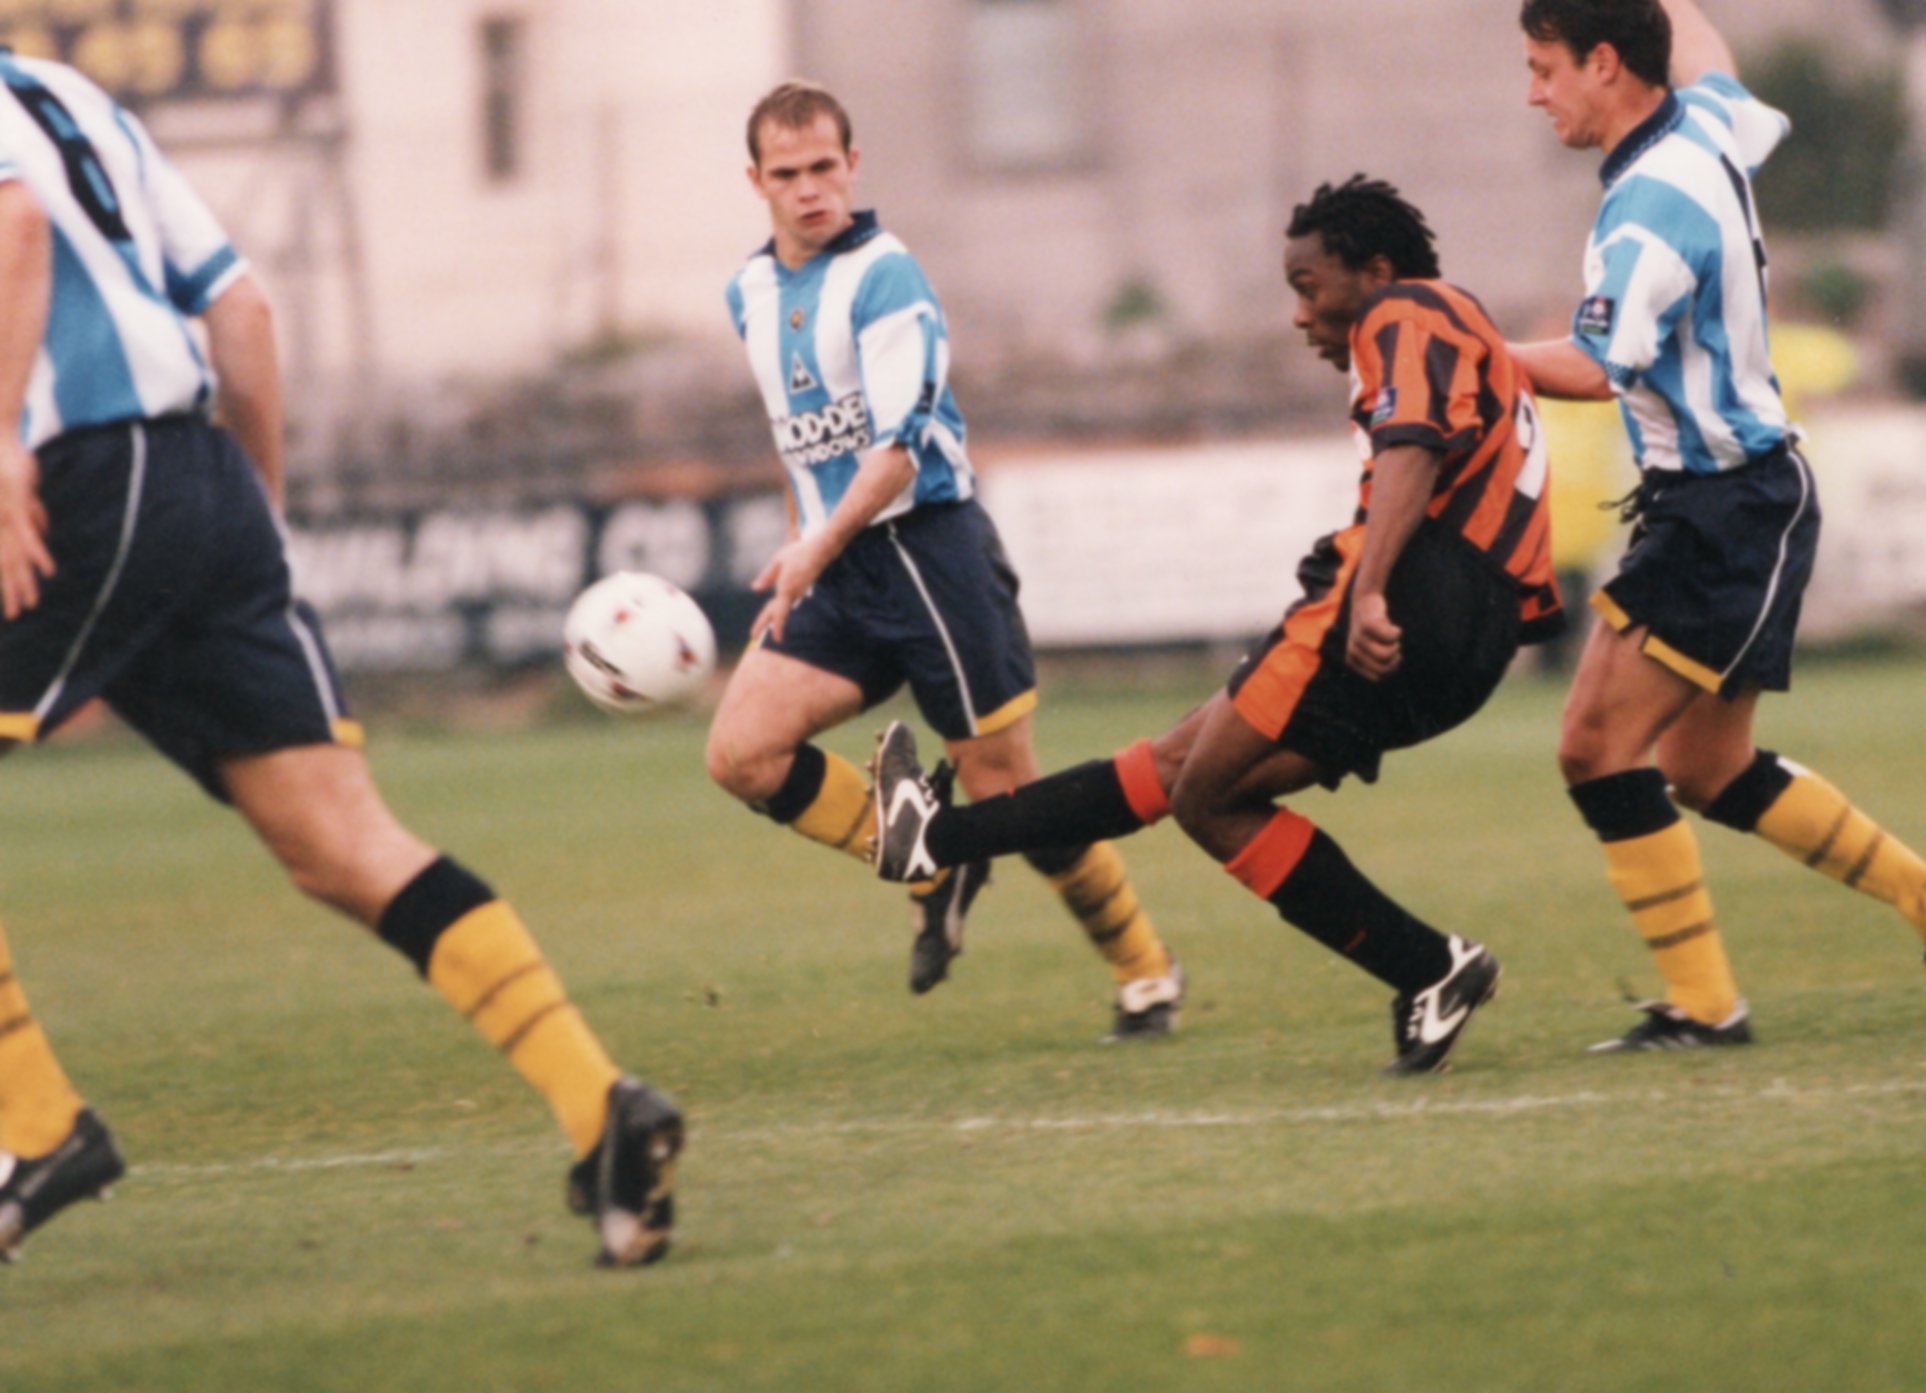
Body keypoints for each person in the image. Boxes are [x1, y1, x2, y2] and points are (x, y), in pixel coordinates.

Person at [0, 50, 681, 1268]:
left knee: (341, 841)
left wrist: (3, 440)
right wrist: (247, 521)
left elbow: (13, 224)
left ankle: (39, 1126)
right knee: (341, 846)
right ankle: (602, 1107)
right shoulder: (74, 93)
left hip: (77, 475)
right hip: (206, 475)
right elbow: (243, 311)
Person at [869, 176, 1563, 1074]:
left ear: (1375, 271)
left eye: (1308, 287)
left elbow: (1411, 450)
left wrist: (1368, 592)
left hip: (1419, 597)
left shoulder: (1406, 309)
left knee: (1201, 791)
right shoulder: (1452, 328)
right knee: (1183, 771)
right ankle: (936, 839)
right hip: (1470, 632)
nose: (1297, 314)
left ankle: (1425, 964)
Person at [1508, 0, 1926, 1053]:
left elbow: (1595, 370)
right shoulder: (1696, 123)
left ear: (1603, 65)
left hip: (1721, 510)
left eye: (1544, 67)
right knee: (1703, 768)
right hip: (1734, 500)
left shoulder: (1647, 207)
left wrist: (1463, 346)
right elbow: (1706, 53)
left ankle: (1704, 1008)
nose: (1532, 91)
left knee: (1595, 748)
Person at [703, 82, 1182, 1040]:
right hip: (837, 567)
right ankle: (933, 859)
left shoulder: (887, 279)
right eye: (788, 174)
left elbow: (894, 450)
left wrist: (815, 544)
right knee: (741, 753)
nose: (809, 191)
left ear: (853, 164)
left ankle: (1145, 972)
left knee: (1020, 800)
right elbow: (807, 435)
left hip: (931, 557)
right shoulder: (747, 293)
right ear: (755, 182)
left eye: (824, 168)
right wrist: (806, 530)